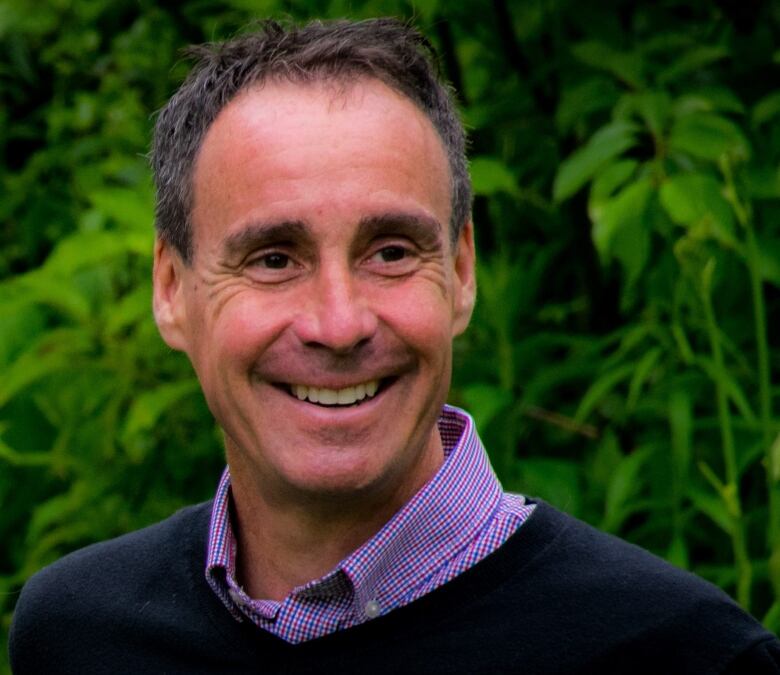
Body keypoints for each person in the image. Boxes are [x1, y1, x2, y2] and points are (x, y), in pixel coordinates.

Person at [8, 18, 780, 675]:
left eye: (390, 252)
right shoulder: (79, 636)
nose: (339, 323)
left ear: (462, 271)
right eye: (274, 258)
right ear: (171, 289)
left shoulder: (681, 657)